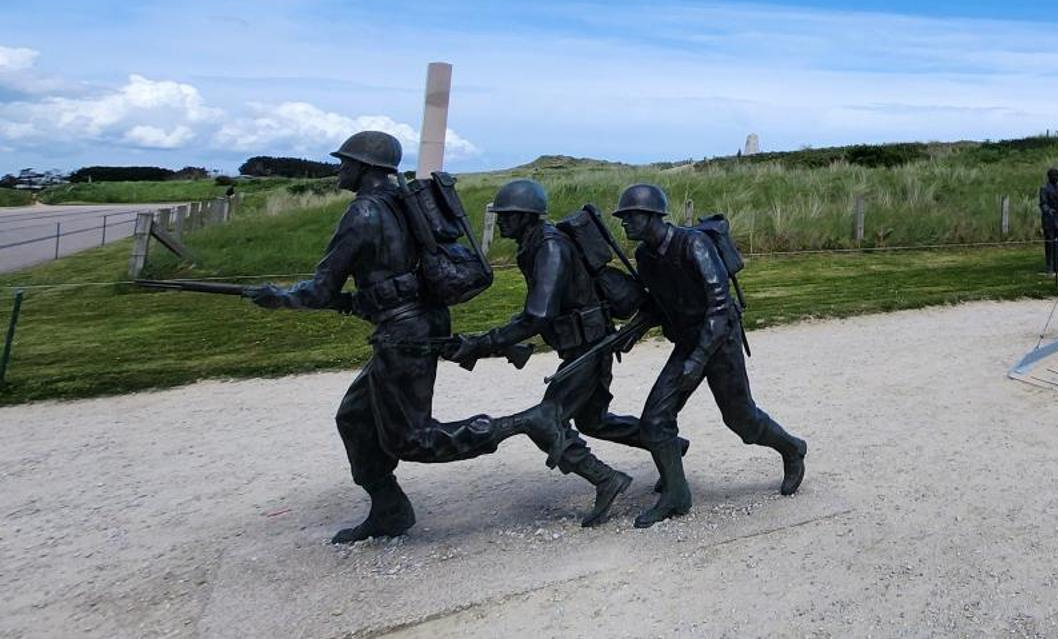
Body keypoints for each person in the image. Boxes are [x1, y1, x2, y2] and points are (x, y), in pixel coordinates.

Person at [248, 132, 565, 543]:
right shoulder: (404, 204)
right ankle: (389, 508)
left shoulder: (363, 213)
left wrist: (278, 297)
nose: (340, 169)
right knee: (355, 418)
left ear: (365, 168)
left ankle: (524, 422)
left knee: (412, 439)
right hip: (417, 321)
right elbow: (395, 278)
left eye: (346, 162)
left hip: (403, 332)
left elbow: (321, 289)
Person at [443, 178, 640, 528]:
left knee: (545, 419)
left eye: (508, 214)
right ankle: (668, 444)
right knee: (594, 421)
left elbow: (537, 314)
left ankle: (607, 479)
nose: (501, 219)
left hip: (588, 347)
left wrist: (483, 342)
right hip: (582, 344)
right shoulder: (534, 245)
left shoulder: (549, 247)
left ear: (526, 217)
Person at [614, 183, 807, 527]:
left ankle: (792, 448)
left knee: (741, 421)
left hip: (719, 341)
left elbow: (719, 308)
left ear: (652, 216)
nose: (624, 223)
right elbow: (660, 304)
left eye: (629, 216)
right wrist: (631, 332)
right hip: (688, 342)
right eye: (623, 218)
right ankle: (677, 494)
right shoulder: (645, 256)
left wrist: (698, 359)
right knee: (655, 421)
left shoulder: (694, 245)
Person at [1038, 167, 1058, 275]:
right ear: (1049, 177)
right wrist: (1048, 210)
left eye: (1057, 176)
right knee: (1050, 245)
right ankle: (1049, 267)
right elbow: (1043, 203)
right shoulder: (1044, 188)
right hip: (1049, 222)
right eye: (1054, 176)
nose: (1056, 178)